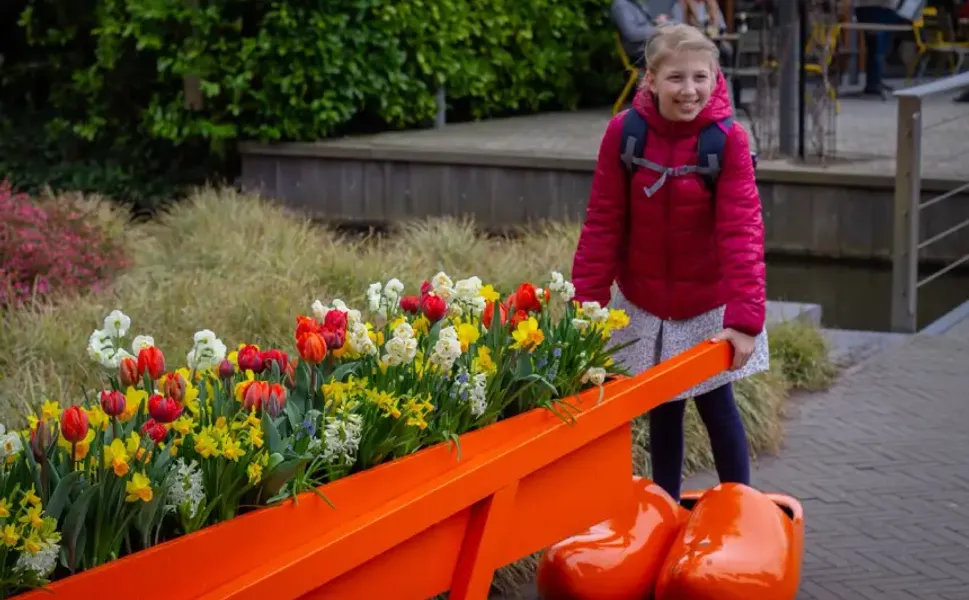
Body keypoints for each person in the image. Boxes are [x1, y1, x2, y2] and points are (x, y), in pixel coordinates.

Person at [570, 23, 768, 502]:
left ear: (716, 78)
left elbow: (742, 232)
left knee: (717, 403)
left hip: (707, 304)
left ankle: (738, 507)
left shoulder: (727, 141)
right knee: (662, 407)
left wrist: (744, 321)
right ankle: (663, 507)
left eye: (700, 77)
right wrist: (589, 309)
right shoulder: (625, 134)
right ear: (651, 81)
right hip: (647, 300)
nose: (689, 90)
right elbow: (603, 222)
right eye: (676, 78)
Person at [854, 0, 914, 97]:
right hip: (875, 11)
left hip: (863, 11)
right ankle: (874, 83)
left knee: (874, 46)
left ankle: (874, 82)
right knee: (907, 17)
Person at [611, 0, 671, 65]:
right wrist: (658, 30)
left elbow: (644, 24)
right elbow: (632, 34)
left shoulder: (633, 3)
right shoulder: (621, 5)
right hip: (640, 52)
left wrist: (657, 21)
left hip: (650, 46)